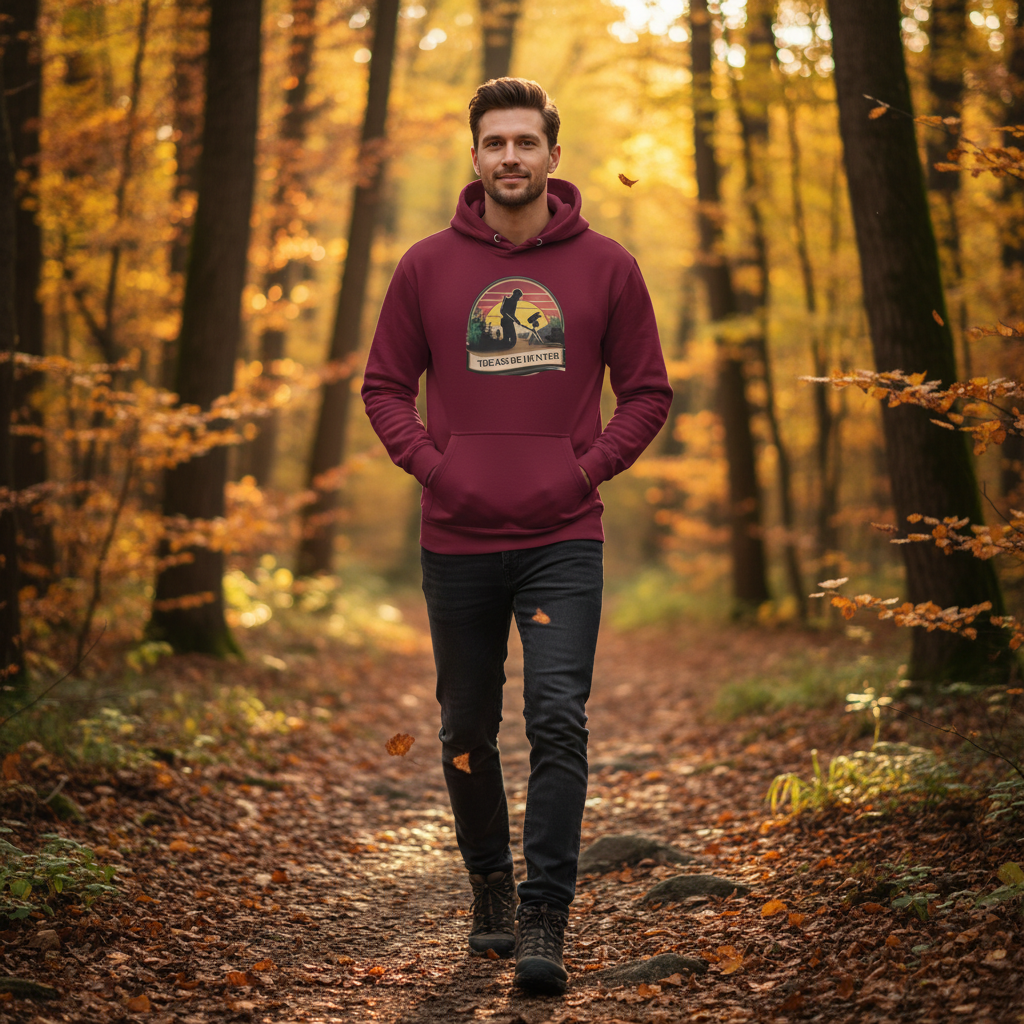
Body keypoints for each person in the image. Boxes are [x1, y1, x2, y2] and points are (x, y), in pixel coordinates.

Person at [361, 78, 671, 996]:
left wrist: (584, 471)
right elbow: (384, 386)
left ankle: (546, 911)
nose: (510, 157)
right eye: (494, 142)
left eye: (525, 143)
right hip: (455, 536)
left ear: (552, 156)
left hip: (563, 538)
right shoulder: (425, 266)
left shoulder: (609, 266)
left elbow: (647, 392)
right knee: (463, 726)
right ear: (474, 157)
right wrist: (435, 466)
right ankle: (489, 884)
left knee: (558, 720)